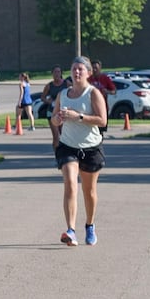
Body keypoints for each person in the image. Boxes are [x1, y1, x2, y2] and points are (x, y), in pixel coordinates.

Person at [51, 56, 108, 247]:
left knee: (89, 191)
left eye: (80, 69)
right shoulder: (63, 94)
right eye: (74, 69)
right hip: (68, 146)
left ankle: (90, 226)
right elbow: (53, 119)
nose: (76, 72)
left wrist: (79, 116)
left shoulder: (93, 94)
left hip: (91, 147)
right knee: (70, 183)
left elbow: (103, 120)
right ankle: (71, 230)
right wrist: (58, 119)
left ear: (88, 73)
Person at [40, 65, 69, 145]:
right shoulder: (49, 86)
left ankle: (63, 154)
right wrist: (50, 102)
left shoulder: (66, 83)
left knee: (64, 135)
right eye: (55, 72)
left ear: (61, 73)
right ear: (52, 73)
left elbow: (73, 93)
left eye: (58, 72)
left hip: (62, 111)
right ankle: (57, 155)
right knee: (56, 136)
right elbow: (42, 97)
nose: (57, 74)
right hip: (51, 111)